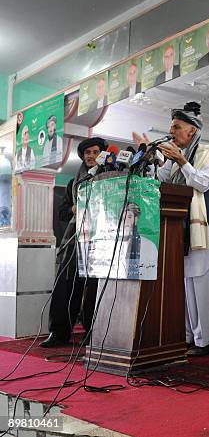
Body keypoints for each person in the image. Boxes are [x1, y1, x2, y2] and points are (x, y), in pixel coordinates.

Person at [134, 102, 209, 356]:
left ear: (192, 131)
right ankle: (186, 336)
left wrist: (182, 161)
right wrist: (152, 160)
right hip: (176, 230)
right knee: (183, 285)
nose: (171, 131)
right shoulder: (173, 158)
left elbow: (203, 183)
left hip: (201, 231)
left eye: (176, 126)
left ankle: (204, 341)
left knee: (200, 286)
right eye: (171, 126)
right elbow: (160, 181)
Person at [40, 137, 107, 348]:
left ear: (102, 155)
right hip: (74, 239)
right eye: (87, 153)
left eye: (95, 152)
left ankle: (92, 332)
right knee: (65, 285)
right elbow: (62, 212)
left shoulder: (108, 177)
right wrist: (73, 209)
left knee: (93, 287)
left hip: (99, 240)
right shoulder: (73, 183)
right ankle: (59, 333)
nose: (91, 156)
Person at [118, 202, 158, 280]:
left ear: (136, 219)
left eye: (129, 217)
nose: (125, 222)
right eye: (122, 218)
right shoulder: (114, 246)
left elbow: (151, 272)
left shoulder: (149, 246)